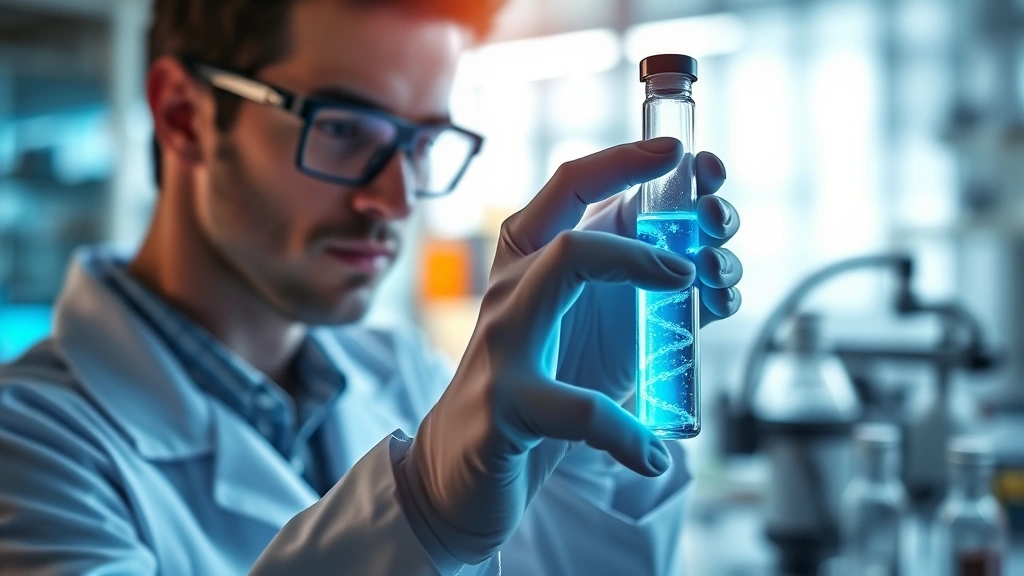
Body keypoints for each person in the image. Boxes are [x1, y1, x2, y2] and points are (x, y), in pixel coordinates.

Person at [0, 0, 743, 574]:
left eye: (422, 144)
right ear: (184, 115)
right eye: (345, 128)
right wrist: (418, 514)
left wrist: (583, 428)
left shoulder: (407, 374)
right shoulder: (28, 452)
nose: (395, 199)